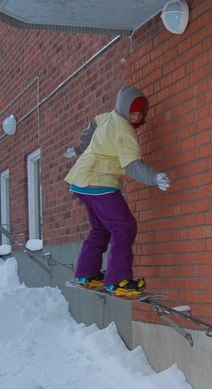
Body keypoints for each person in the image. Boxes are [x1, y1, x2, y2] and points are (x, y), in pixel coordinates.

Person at [65, 85, 170, 298]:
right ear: (124, 109)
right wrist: (154, 177)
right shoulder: (124, 131)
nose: (136, 118)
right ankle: (118, 281)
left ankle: (87, 275)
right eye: (132, 113)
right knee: (124, 226)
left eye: (140, 114)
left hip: (81, 181)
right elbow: (131, 163)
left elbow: (90, 131)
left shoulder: (108, 118)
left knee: (101, 229)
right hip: (99, 182)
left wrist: (77, 150)